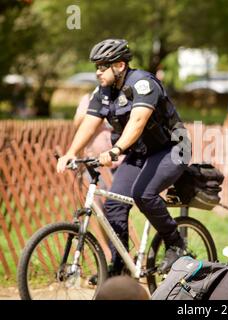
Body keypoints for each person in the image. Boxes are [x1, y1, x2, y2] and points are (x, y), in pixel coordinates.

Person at [56, 39, 191, 280]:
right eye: (96, 66)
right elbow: (89, 123)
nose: (98, 71)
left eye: (102, 66)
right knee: (114, 205)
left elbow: (138, 122)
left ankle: (176, 243)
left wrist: (116, 151)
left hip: (172, 149)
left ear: (119, 65)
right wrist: (71, 153)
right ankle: (119, 268)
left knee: (144, 193)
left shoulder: (143, 84)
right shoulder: (103, 91)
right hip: (141, 153)